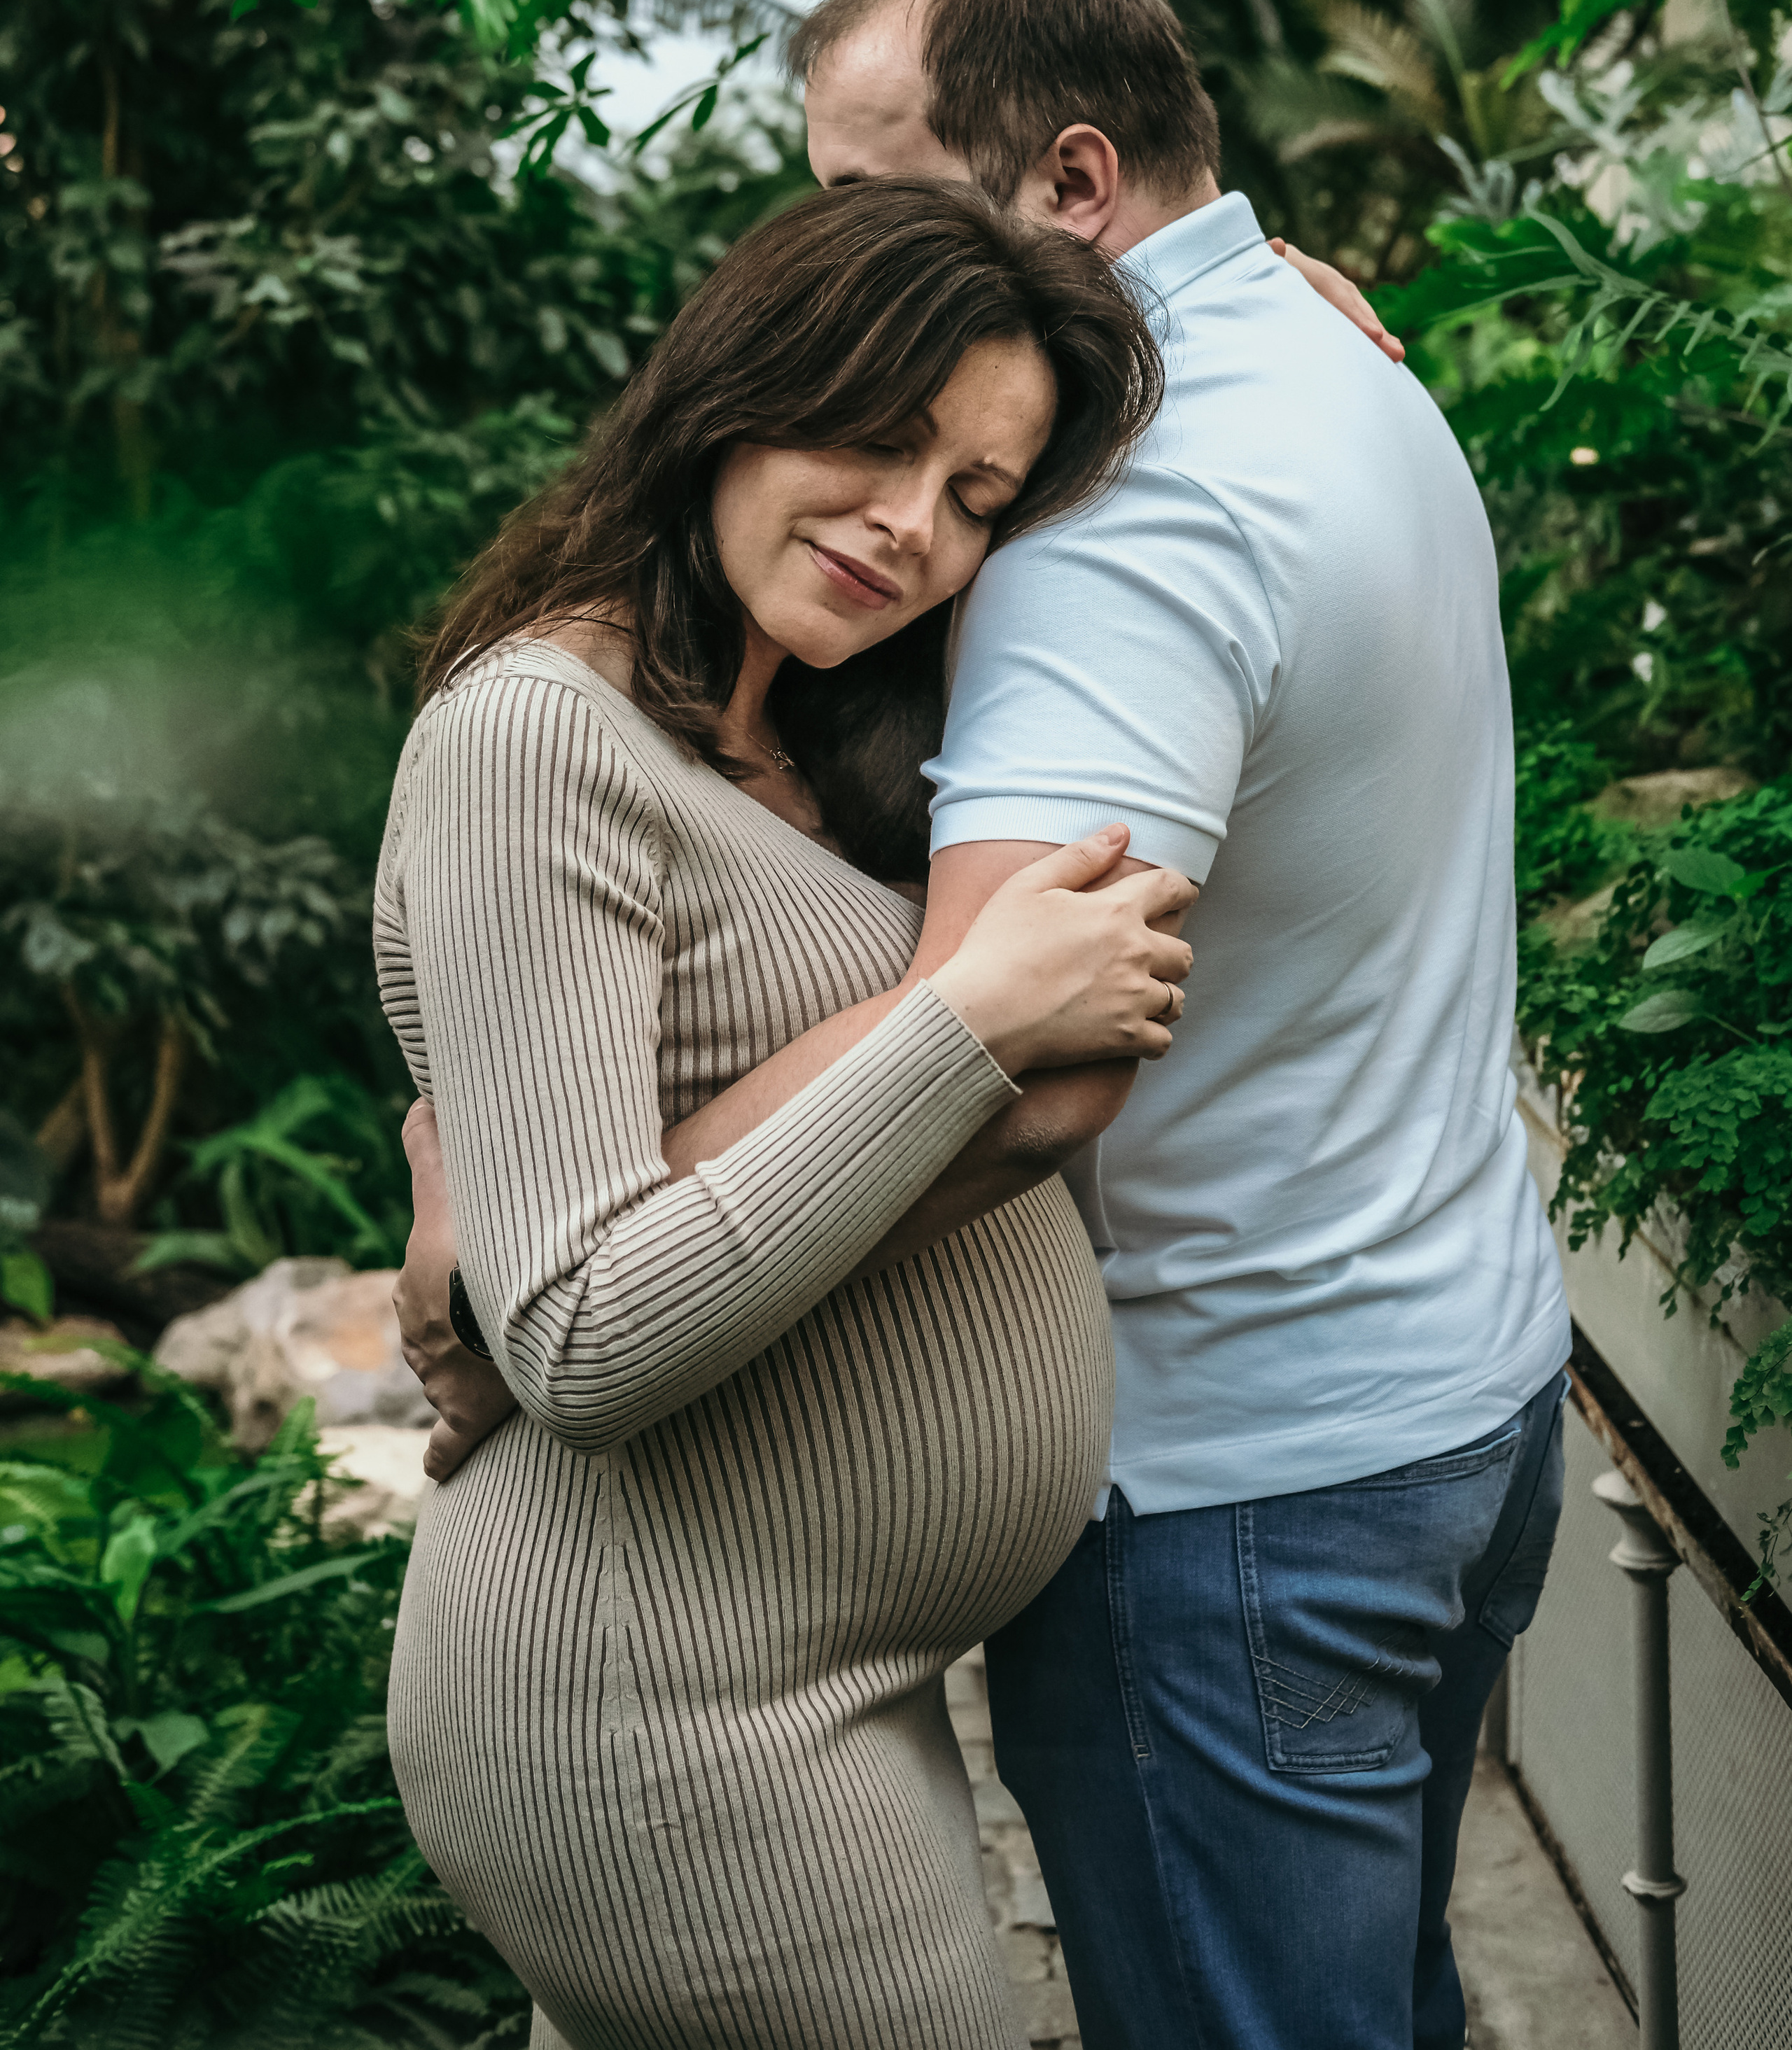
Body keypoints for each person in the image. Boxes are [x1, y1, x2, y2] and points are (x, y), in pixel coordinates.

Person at [402, 0, 1569, 2050]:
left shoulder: (1118, 516)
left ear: (1073, 191)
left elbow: (1030, 1070)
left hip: (1244, 1493)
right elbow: (636, 978)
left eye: (864, 197)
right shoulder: (1306, 381)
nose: (822, 248)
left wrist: (539, 1204)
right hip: (1427, 1389)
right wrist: (483, 1153)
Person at [374, 175, 1201, 2050]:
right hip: (656, 1713)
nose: (912, 527)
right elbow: (577, 1331)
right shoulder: (535, 740)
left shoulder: (793, 735)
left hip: (791, 1675)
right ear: (743, 381)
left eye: (979, 496)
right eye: (881, 441)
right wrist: (969, 1018)